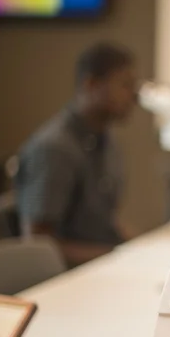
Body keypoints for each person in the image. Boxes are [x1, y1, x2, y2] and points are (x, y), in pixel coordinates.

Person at [16, 42, 137, 267]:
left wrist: (138, 249)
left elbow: (104, 219)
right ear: (91, 84)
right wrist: (116, 256)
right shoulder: (55, 148)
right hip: (67, 278)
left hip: (101, 267)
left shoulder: (105, 140)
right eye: (125, 85)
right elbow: (38, 244)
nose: (133, 96)